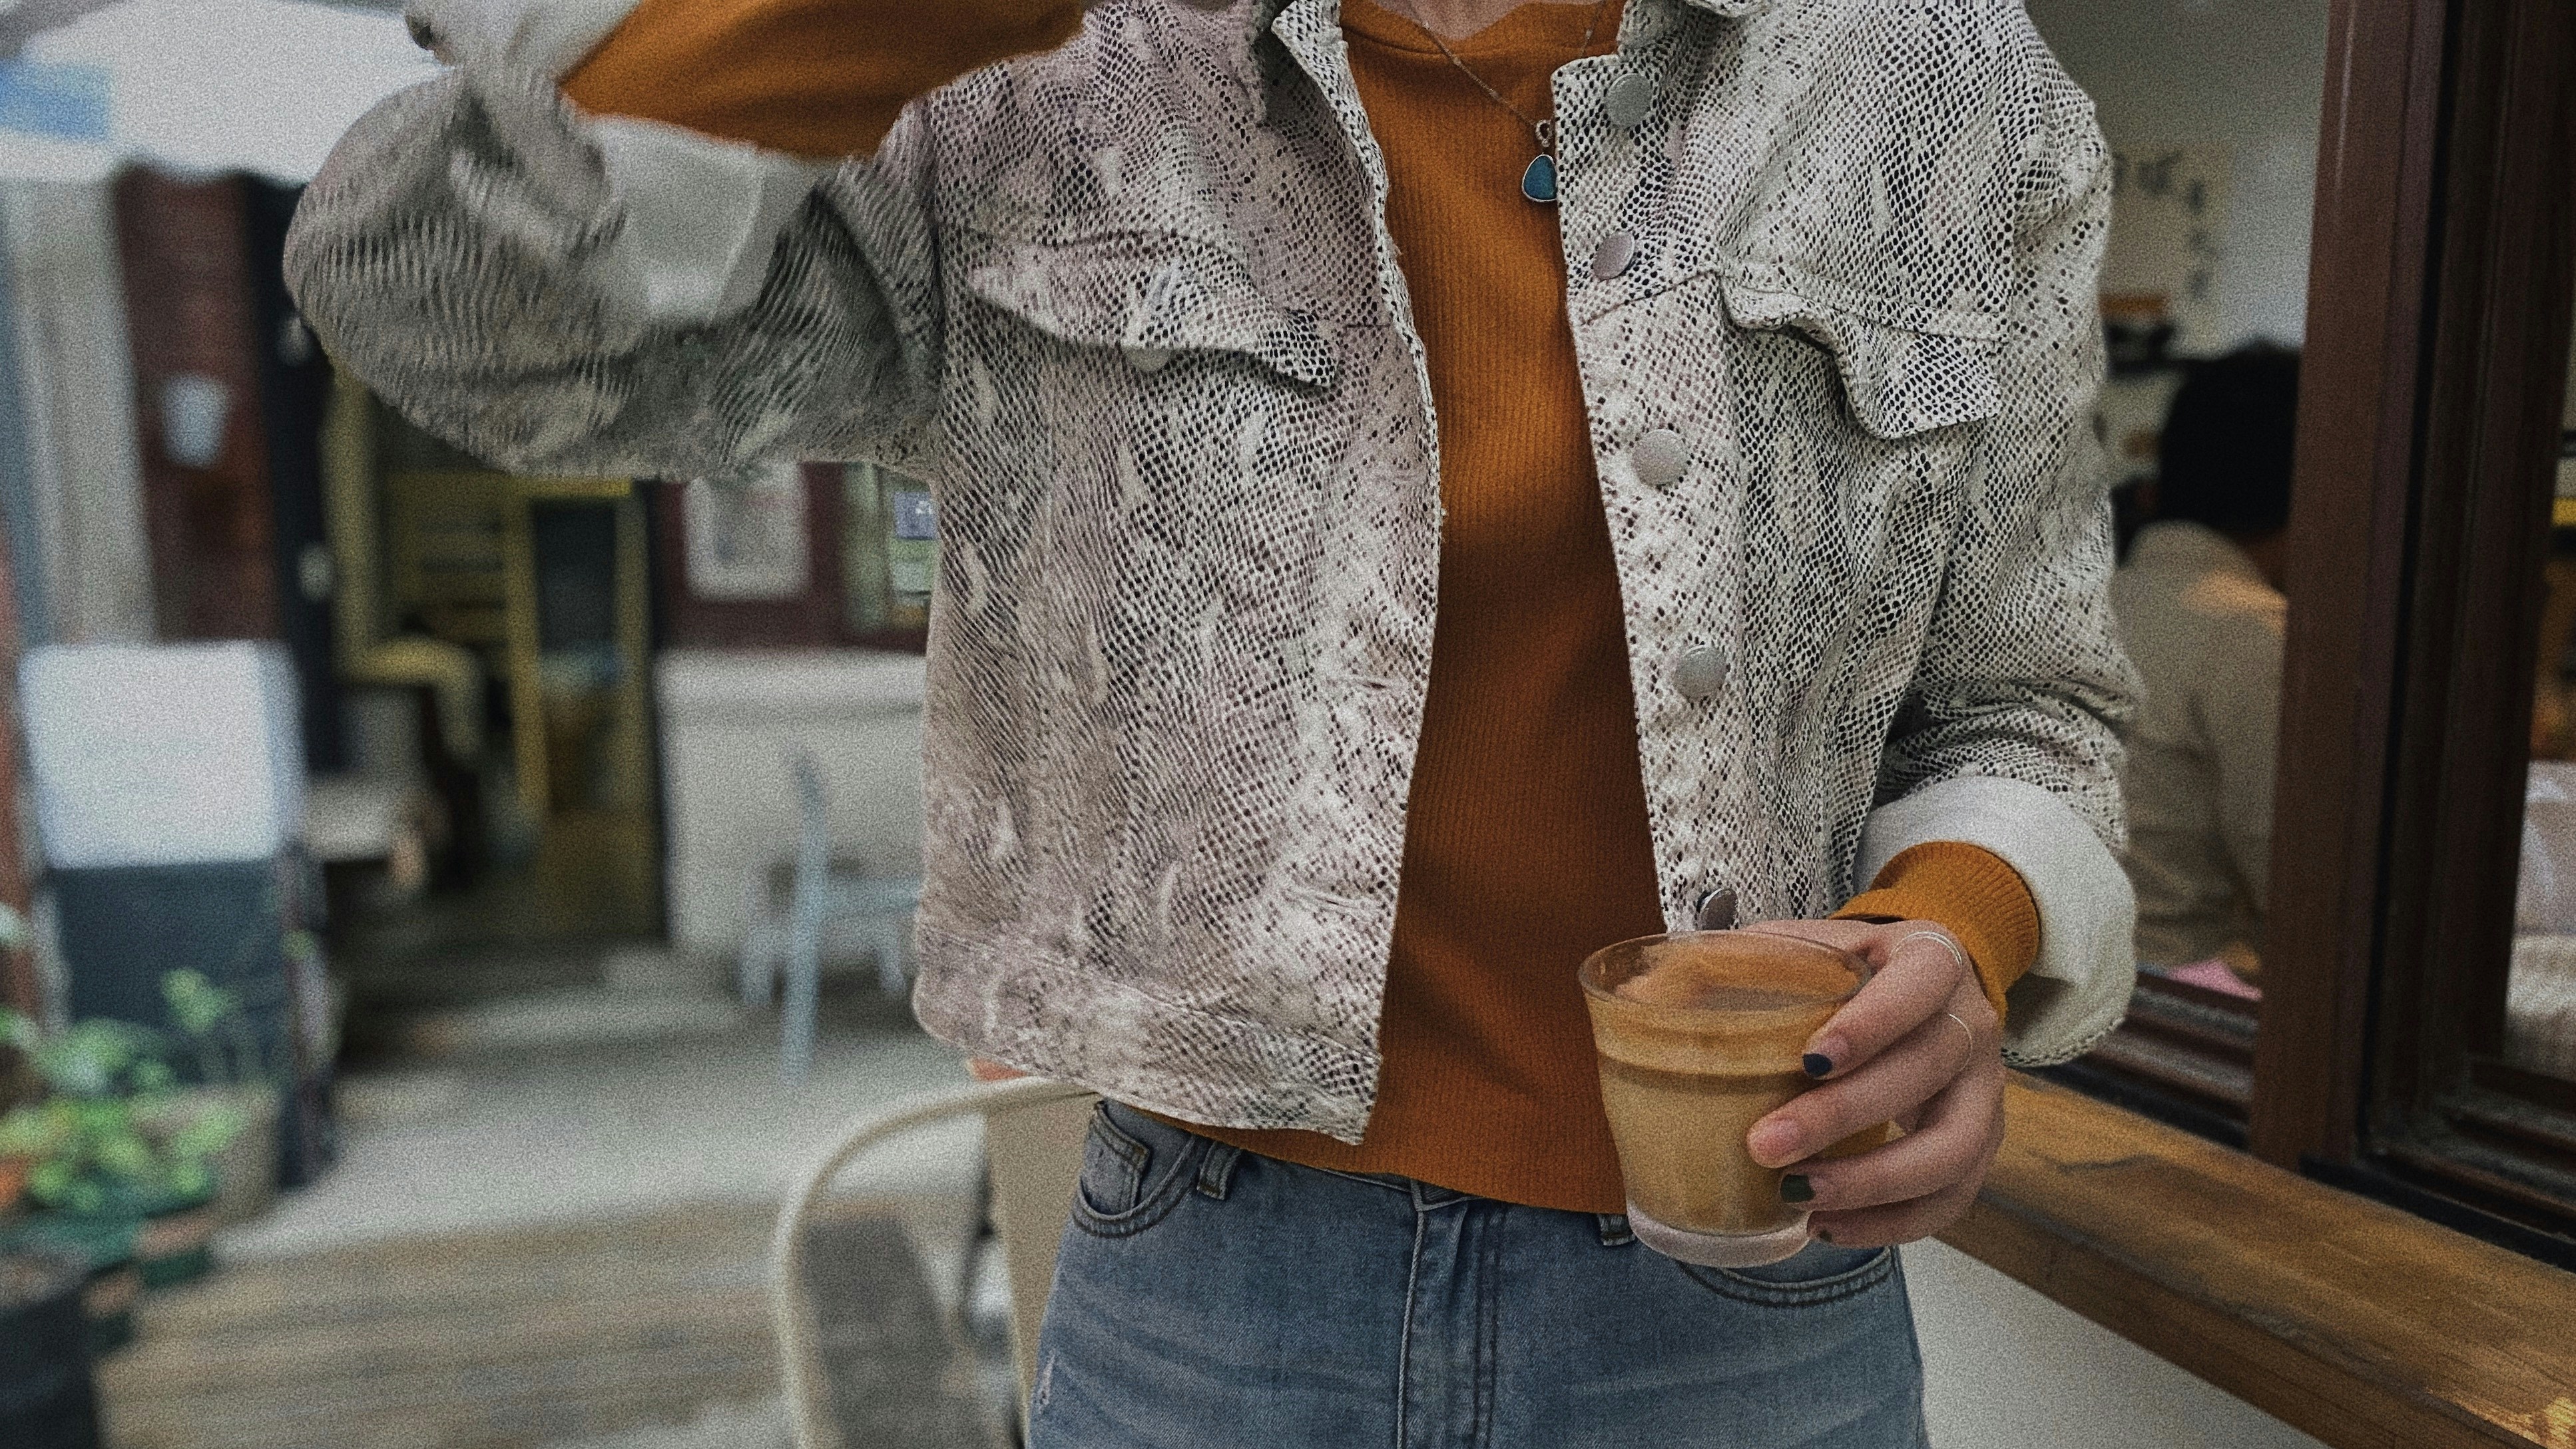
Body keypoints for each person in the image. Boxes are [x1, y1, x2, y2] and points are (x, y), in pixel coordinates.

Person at [286, 0, 2140, 1442]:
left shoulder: (1934, 83)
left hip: (1750, 1280)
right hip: (1210, 1283)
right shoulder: (1051, 70)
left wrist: (1954, 930)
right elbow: (440, 307)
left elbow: (2028, 699)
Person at [2112, 345, 2297, 982]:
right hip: (2188, 993)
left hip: (2066, 983)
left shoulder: (2096, 598)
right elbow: (2295, 887)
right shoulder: (2256, 633)